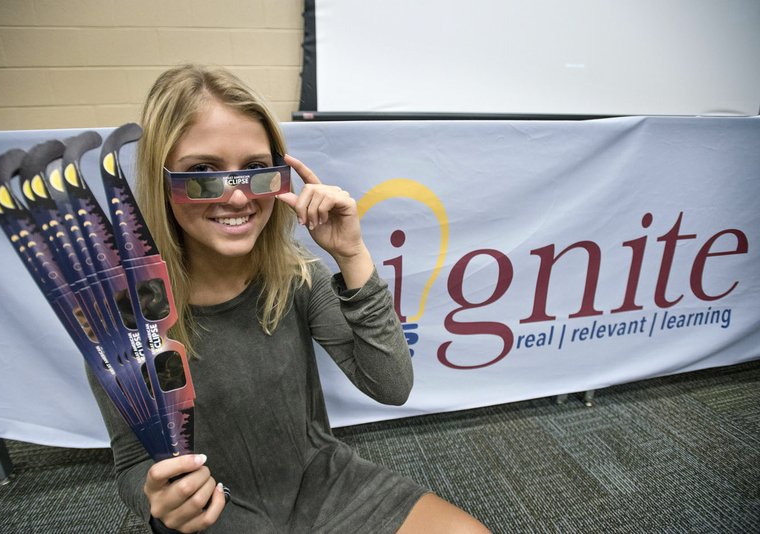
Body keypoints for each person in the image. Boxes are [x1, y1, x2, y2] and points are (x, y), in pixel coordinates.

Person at [88, 64, 490, 533]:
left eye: (257, 171)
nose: (237, 199)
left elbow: (391, 385)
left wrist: (352, 254)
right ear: (163, 183)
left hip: (320, 482)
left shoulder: (295, 276)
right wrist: (159, 503)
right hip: (217, 514)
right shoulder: (127, 317)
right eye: (203, 173)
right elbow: (132, 463)